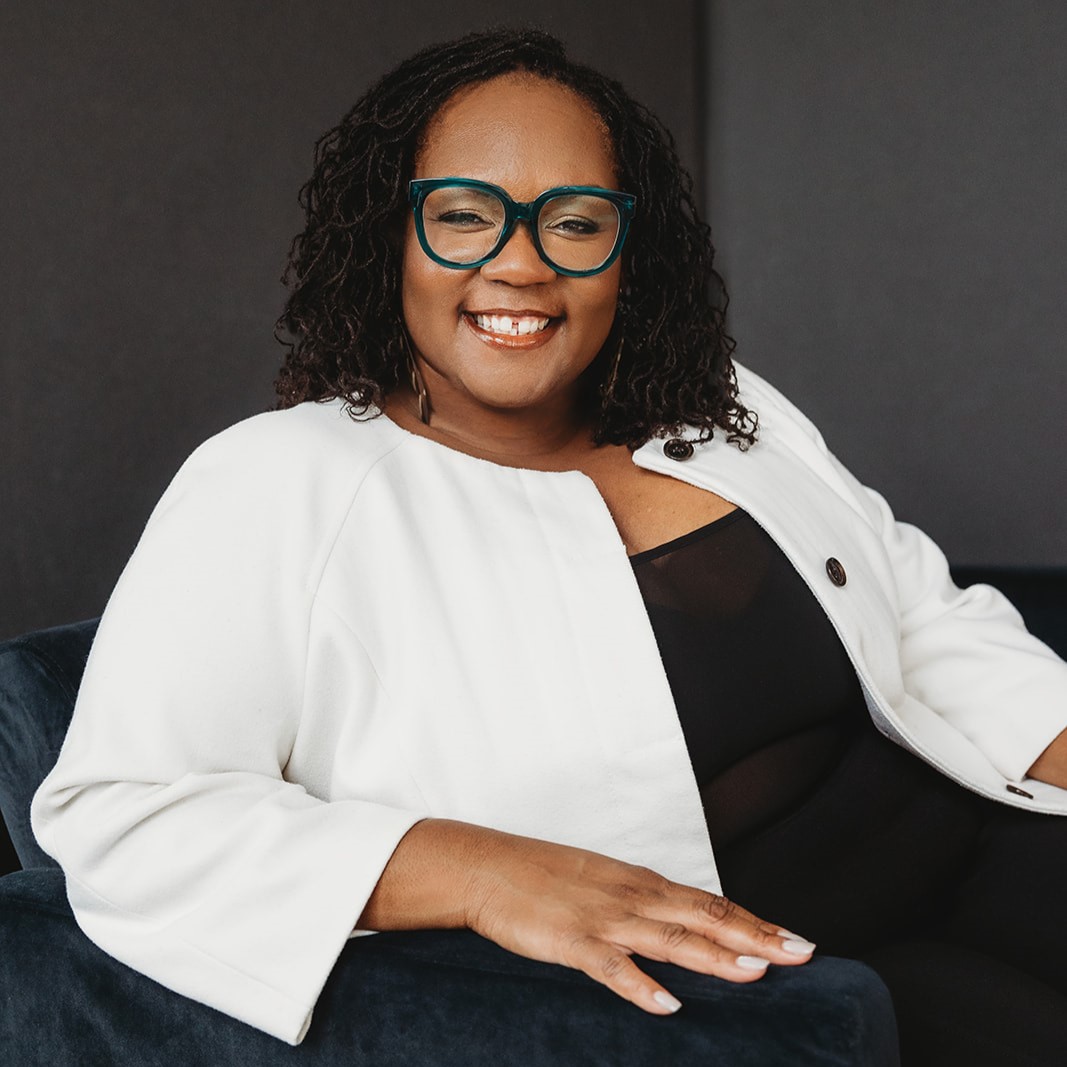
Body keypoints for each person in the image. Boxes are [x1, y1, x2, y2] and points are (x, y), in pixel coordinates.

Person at [25, 27, 1067, 1066]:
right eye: (465, 216)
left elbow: (914, 609)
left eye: (572, 221)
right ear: (388, 237)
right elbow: (125, 817)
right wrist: (476, 870)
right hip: (772, 973)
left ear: (626, 248)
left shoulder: (719, 406)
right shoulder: (274, 480)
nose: (517, 263)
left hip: (956, 833)